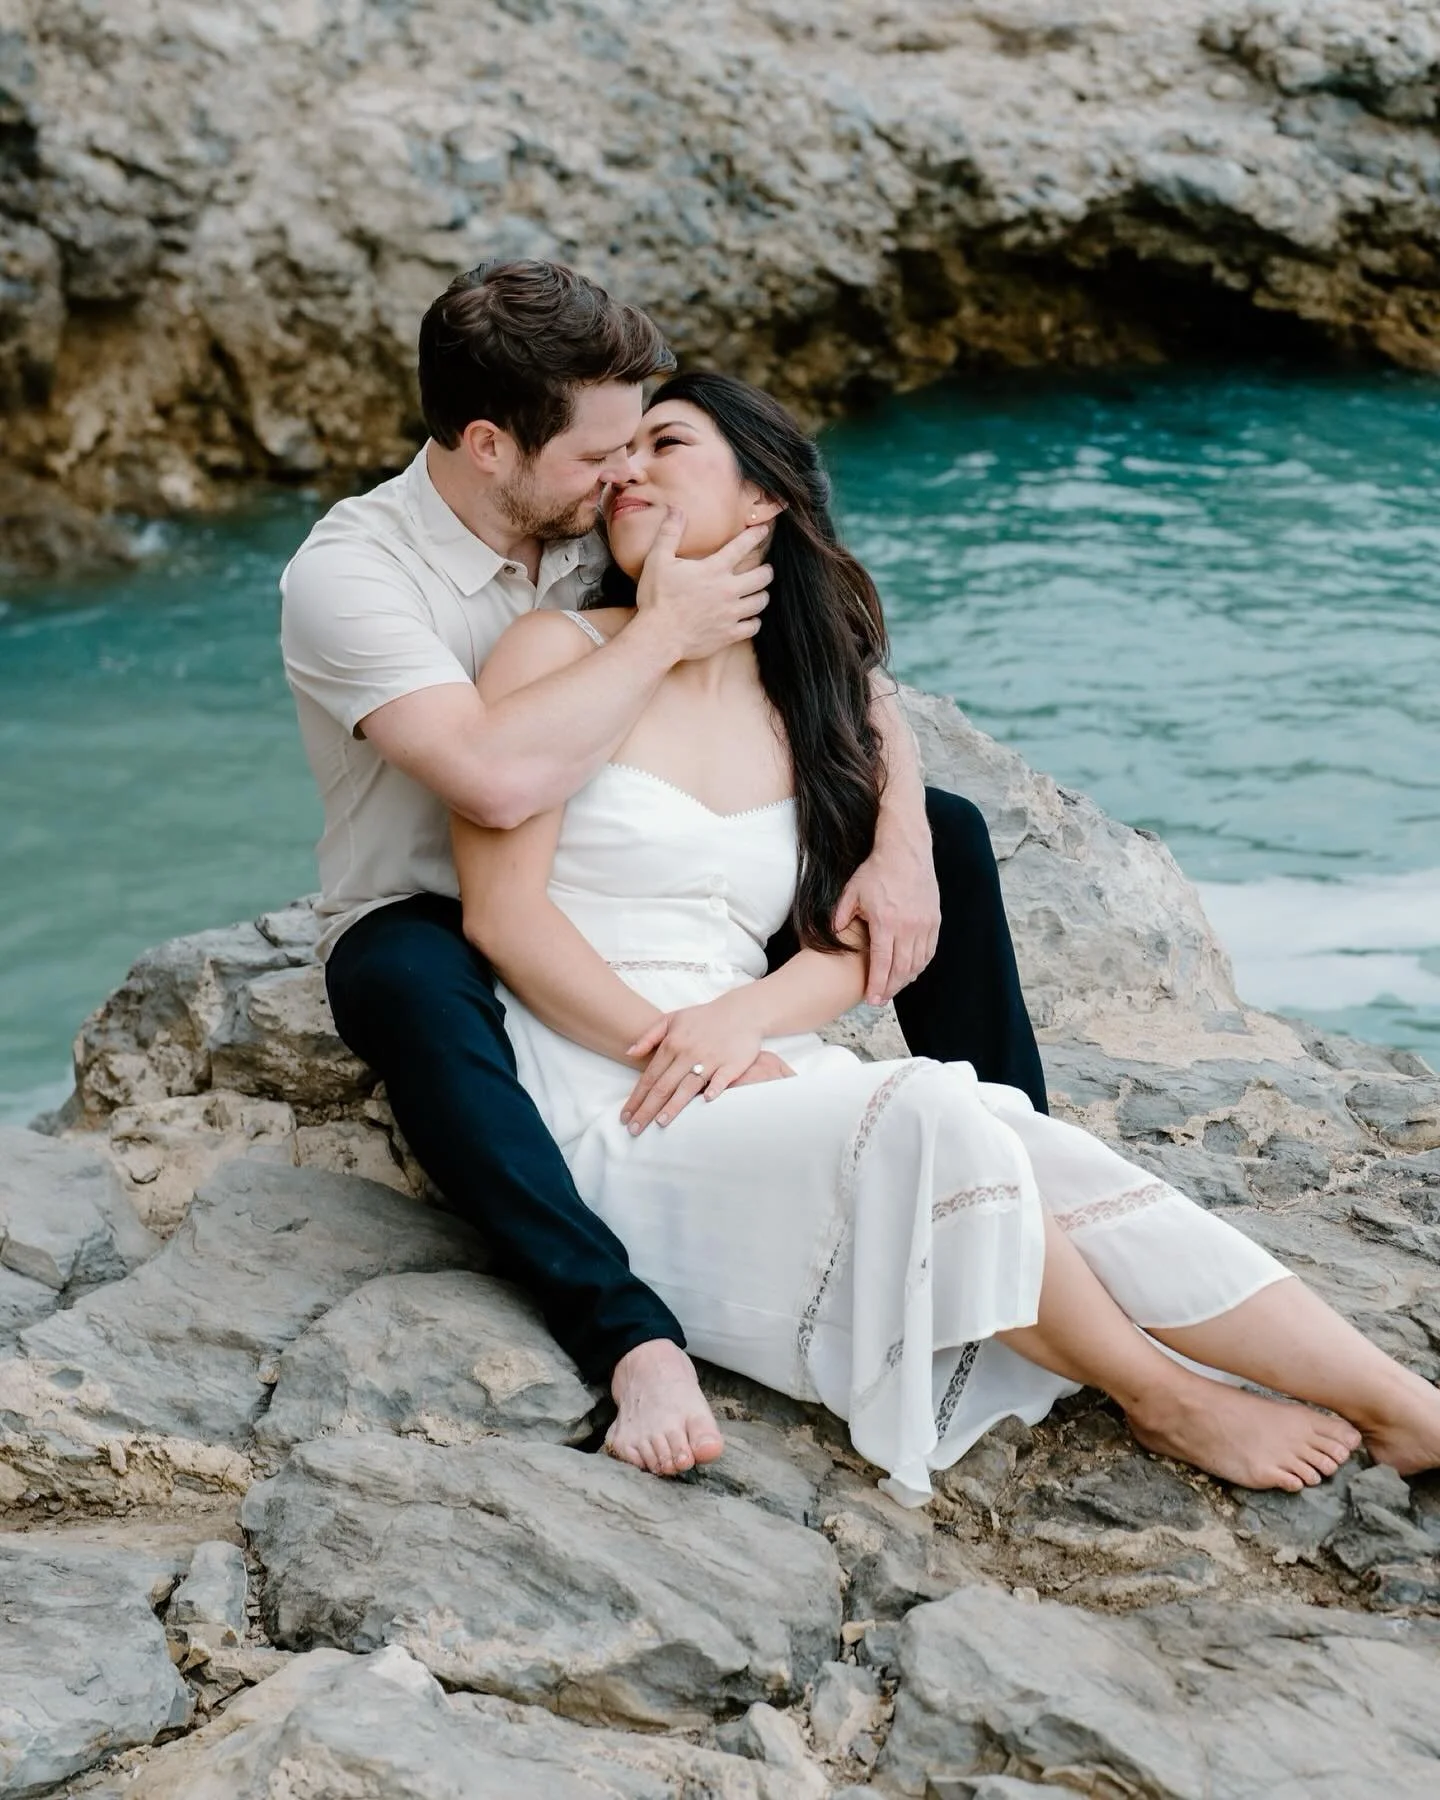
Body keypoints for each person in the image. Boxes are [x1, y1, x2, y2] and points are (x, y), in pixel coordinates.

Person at [451, 370, 1440, 1502]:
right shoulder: (554, 651)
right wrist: (671, 1042)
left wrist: (743, 1018)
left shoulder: (809, 708)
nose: (626, 469)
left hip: (752, 1054)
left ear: (765, 499)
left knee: (1033, 1146)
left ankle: (1404, 1407)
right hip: (612, 1089)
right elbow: (503, 913)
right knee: (928, 1105)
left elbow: (853, 944)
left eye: (665, 445)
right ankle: (1160, 1395)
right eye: (617, 454)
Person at [280, 260, 1045, 1477]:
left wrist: (899, 831)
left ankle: (1021, 1179)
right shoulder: (353, 576)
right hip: (438, 905)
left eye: (641, 446)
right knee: (400, 980)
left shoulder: (589, 516)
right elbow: (493, 780)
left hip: (637, 876)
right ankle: (627, 1334)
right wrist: (668, 635)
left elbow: (832, 659)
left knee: (947, 831)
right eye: (597, 457)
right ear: (490, 444)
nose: (623, 477)